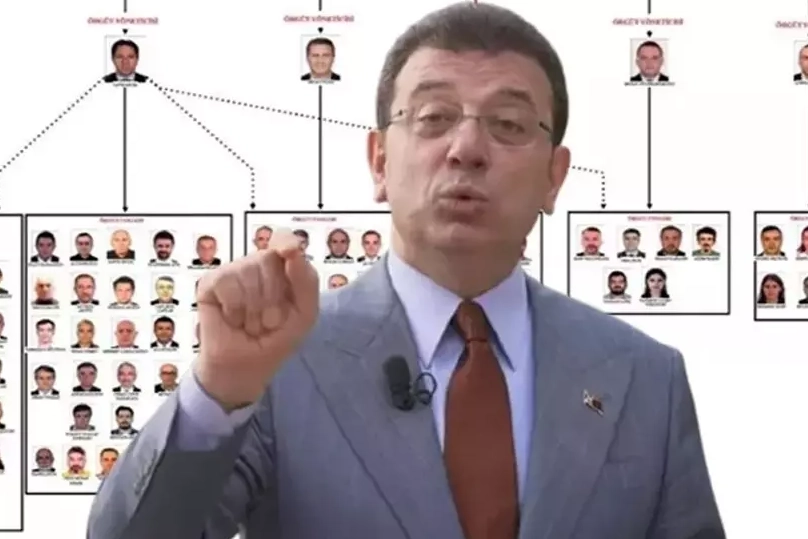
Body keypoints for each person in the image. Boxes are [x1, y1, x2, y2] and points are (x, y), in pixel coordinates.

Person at [87, 4, 723, 539]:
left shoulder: (646, 377)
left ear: (554, 177)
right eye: (433, 118)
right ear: (380, 161)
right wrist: (218, 391)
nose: (466, 149)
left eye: (507, 124)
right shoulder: (280, 363)